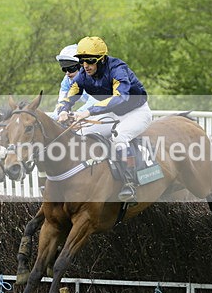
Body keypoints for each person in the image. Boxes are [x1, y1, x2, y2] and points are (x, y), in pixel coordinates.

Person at [56, 36, 152, 203]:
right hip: (113, 113)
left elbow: (120, 97)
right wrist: (63, 110)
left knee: (119, 136)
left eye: (90, 61)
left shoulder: (118, 69)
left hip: (136, 112)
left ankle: (129, 184)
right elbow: (70, 95)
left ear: (102, 60)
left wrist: (89, 111)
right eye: (82, 60)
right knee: (80, 132)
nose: (85, 65)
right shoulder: (84, 75)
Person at [53, 43, 97, 115]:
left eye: (71, 69)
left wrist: (76, 114)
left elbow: (94, 102)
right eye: (64, 69)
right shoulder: (67, 80)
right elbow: (62, 102)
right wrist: (59, 114)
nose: (67, 73)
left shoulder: (94, 78)